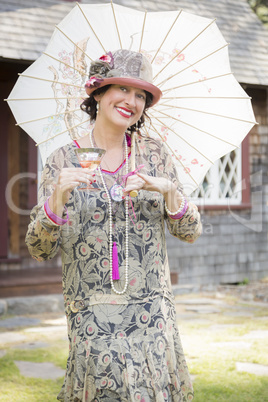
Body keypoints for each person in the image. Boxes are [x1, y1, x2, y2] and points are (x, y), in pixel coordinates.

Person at [26, 49, 202, 402]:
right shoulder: (63, 159)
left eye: (141, 95)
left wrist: (167, 190)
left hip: (151, 312)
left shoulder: (154, 154)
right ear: (98, 93)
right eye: (122, 88)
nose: (131, 101)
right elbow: (39, 248)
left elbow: (190, 231)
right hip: (92, 311)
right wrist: (57, 198)